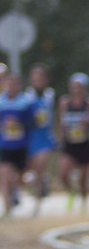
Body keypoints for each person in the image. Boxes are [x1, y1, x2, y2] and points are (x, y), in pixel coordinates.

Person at [57, 72, 89, 211]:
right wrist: (61, 134)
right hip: (70, 143)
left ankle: (83, 204)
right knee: (63, 173)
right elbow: (61, 121)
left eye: (79, 86)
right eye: (74, 86)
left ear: (85, 88)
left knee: (83, 178)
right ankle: (72, 191)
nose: (77, 89)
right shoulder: (65, 102)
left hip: (86, 144)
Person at [0, 71, 36, 217]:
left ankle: (17, 191)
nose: (11, 86)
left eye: (14, 84)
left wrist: (19, 122)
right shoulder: (1, 102)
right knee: (5, 175)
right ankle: (7, 208)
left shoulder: (26, 102)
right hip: (5, 145)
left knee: (20, 178)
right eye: (9, 83)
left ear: (19, 85)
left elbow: (33, 122)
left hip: (22, 145)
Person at [25, 63, 59, 215]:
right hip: (31, 138)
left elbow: (56, 116)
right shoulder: (27, 96)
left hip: (46, 137)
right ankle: (39, 188)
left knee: (40, 167)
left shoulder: (50, 95)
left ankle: (37, 203)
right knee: (33, 170)